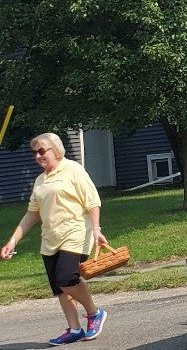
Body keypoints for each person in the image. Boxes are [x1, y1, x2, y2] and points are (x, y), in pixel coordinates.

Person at [1, 133, 109, 344]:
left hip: (75, 233)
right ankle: (74, 329)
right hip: (50, 239)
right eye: (34, 152)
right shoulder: (40, 180)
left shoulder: (73, 169)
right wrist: (12, 241)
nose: (38, 156)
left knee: (66, 278)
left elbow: (92, 201)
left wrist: (96, 229)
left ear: (56, 150)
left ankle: (94, 313)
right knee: (59, 288)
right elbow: (32, 213)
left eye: (42, 151)